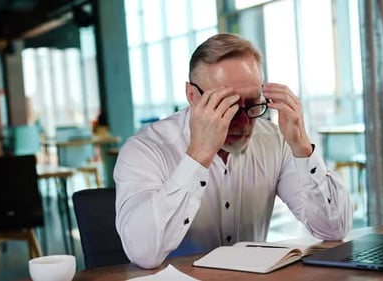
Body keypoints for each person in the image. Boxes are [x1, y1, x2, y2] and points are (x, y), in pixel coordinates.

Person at [114, 33, 353, 269]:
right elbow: (143, 254)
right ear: (192, 96)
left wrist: (301, 146)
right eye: (227, 106)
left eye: (252, 104)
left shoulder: (274, 140)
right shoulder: (145, 150)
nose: (243, 122)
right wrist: (198, 155)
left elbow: (332, 229)